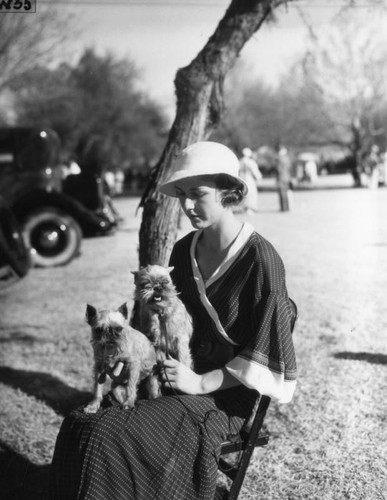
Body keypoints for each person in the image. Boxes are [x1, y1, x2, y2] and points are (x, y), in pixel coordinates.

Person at [49, 141, 297, 500]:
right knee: (80, 423)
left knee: (106, 433)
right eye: (181, 195)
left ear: (228, 190)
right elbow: (165, 327)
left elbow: (271, 351)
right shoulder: (183, 251)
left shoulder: (262, 260)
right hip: (166, 375)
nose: (187, 206)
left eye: (198, 194)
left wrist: (200, 382)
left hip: (223, 396)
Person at [238, 147, 262, 213]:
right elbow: (255, 171)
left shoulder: (240, 161)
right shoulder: (250, 162)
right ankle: (250, 208)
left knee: (244, 193)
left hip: (242, 178)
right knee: (251, 193)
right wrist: (259, 178)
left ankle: (244, 208)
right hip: (249, 179)